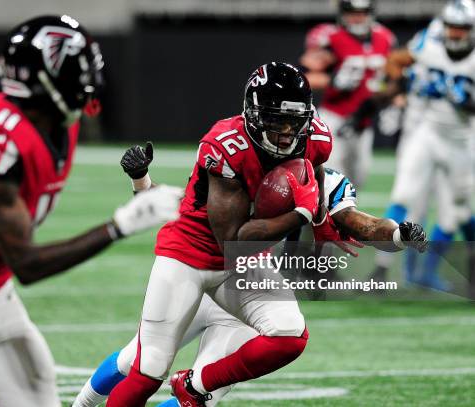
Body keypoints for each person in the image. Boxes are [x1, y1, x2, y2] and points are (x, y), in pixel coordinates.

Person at [0, 15, 182, 407]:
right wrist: (119, 226)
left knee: (39, 398)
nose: (87, 84)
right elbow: (27, 264)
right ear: (42, 79)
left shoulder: (61, 124)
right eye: (79, 73)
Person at [73, 157, 427, 406]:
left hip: (247, 283)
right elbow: (184, 208)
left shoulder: (322, 180)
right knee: (136, 360)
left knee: (201, 397)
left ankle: (192, 384)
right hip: (197, 272)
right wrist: (142, 182)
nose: (287, 134)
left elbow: (358, 222)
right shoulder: (239, 159)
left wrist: (396, 235)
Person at [102, 61, 350, 406]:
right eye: (277, 120)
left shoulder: (316, 139)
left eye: (295, 121)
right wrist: (300, 214)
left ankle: (195, 384)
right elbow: (232, 241)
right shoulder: (226, 145)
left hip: (245, 266)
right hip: (190, 256)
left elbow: (313, 176)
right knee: (147, 369)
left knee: (289, 335)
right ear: (252, 114)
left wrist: (321, 225)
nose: (286, 132)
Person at [372, 0, 475, 289]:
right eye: (452, 27)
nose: (455, 34)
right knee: (403, 196)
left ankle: (425, 274)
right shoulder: (428, 47)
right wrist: (396, 87)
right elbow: (396, 61)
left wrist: (468, 102)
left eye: (461, 28)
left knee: (454, 213)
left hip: (462, 140)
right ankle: (380, 271)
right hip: (427, 132)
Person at [300, 0, 395, 186]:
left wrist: (391, 101)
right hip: (334, 118)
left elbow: (390, 79)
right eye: (352, 12)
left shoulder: (385, 38)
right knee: (329, 177)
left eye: (362, 12)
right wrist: (332, 81)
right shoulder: (330, 38)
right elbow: (302, 76)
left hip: (363, 122)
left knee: (358, 178)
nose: (357, 17)